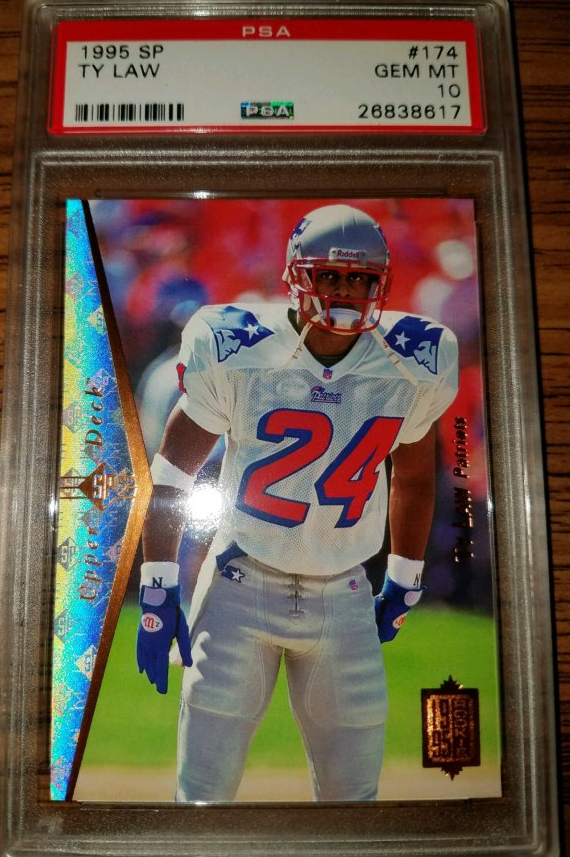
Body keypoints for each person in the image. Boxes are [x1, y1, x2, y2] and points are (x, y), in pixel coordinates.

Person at [135, 204, 459, 802]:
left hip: (344, 590)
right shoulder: (236, 344)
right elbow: (174, 472)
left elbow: (414, 476)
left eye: (360, 278)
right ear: (295, 276)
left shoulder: (415, 360)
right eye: (330, 275)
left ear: (381, 282)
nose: (345, 290)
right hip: (240, 581)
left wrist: (405, 576)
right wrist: (158, 586)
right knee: (202, 798)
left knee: (353, 803)